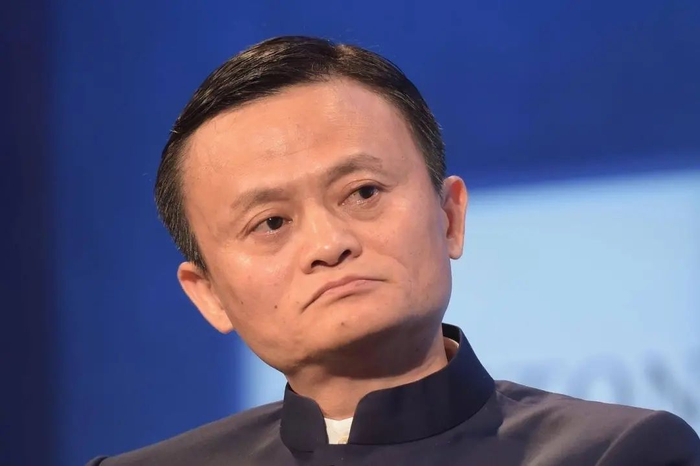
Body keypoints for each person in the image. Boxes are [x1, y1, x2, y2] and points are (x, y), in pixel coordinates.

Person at [87, 36, 700, 465]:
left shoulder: (618, 453)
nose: (329, 244)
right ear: (209, 295)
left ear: (449, 216)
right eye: (271, 222)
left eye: (363, 193)